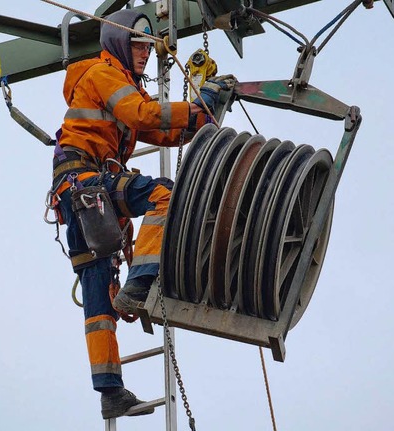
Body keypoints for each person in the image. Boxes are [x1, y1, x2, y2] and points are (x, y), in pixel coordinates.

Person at [50, 9, 234, 419]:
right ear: (117, 43)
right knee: (165, 195)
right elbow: (141, 115)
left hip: (78, 194)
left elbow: (160, 130)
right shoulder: (103, 76)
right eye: (137, 45)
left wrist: (203, 115)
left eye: (147, 47)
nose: (145, 54)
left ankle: (109, 391)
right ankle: (141, 282)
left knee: (98, 293)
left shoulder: (122, 87)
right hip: (87, 182)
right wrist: (196, 106)